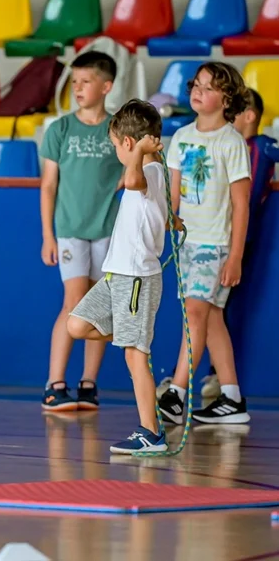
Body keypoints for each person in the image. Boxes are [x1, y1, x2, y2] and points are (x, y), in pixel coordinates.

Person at [66, 99, 174, 454]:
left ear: (129, 144)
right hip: (118, 276)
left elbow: (133, 181)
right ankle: (134, 335)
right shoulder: (153, 171)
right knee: (77, 326)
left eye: (116, 145)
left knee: (134, 356)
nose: (116, 151)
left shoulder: (149, 171)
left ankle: (150, 432)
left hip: (136, 278)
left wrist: (140, 152)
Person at [158, 61, 252, 426]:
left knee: (194, 314)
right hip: (187, 244)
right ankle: (231, 398)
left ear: (227, 97)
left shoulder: (231, 142)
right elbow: (173, 197)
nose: (198, 91)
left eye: (209, 87)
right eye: (195, 85)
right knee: (211, 319)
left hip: (216, 246)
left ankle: (177, 394)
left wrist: (236, 256)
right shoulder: (181, 136)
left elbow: (241, 204)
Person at [39, 51, 125, 412]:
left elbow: (135, 168)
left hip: (108, 231)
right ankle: (54, 383)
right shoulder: (60, 129)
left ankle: (89, 382)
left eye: (85, 81)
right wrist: (48, 235)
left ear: (106, 86)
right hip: (71, 230)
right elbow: (48, 186)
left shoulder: (117, 129)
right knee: (73, 303)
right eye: (74, 82)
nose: (77, 88)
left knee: (99, 307)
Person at [198, 89, 279, 399]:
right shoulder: (226, 147)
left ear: (251, 116)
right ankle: (213, 375)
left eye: (236, 111)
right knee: (211, 307)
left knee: (220, 308)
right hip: (214, 236)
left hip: (238, 241)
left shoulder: (261, 145)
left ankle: (217, 377)